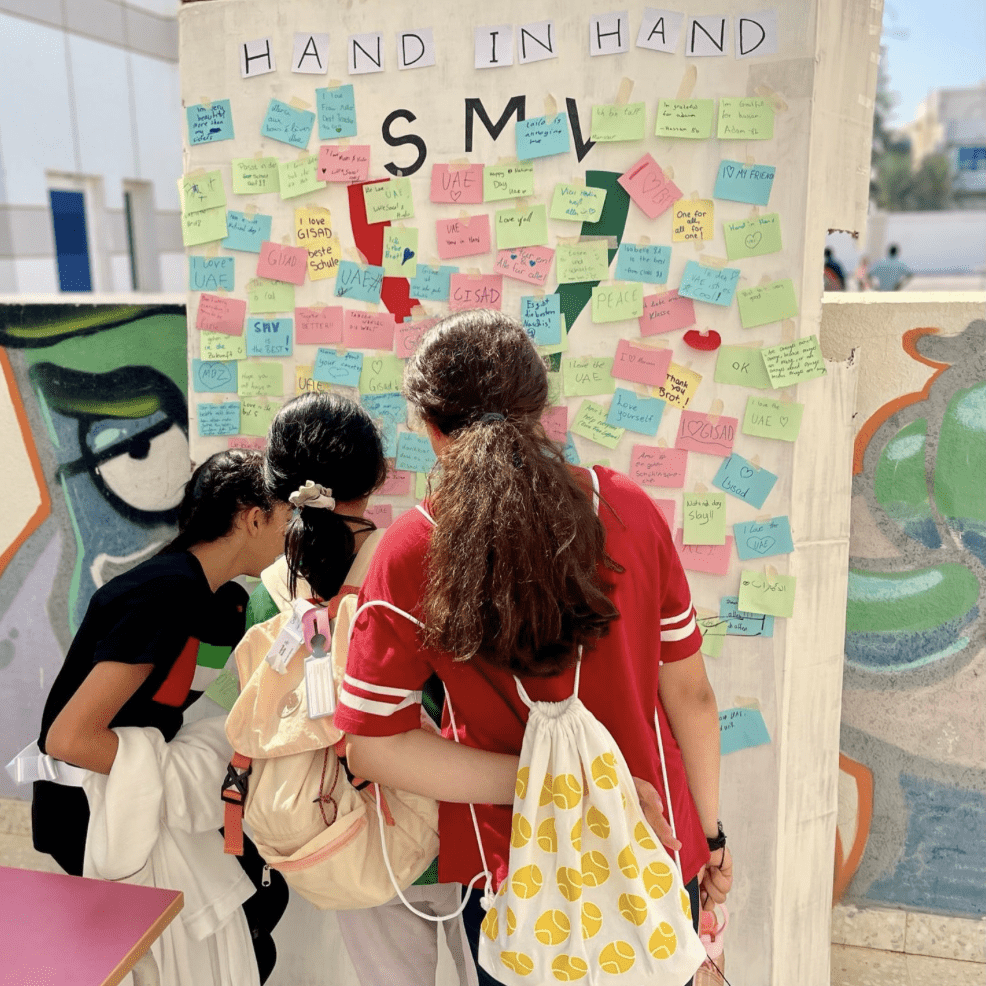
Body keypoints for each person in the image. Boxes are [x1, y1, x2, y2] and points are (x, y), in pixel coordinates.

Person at [335, 311, 733, 985]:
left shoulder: (408, 553)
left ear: (429, 428)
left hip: (517, 879)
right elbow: (691, 696)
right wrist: (713, 837)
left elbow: (373, 747)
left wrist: (540, 784)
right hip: (654, 853)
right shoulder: (627, 509)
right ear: (540, 410)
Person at [32, 449, 293, 983]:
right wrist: (173, 776)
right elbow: (69, 738)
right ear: (254, 518)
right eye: (289, 519)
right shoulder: (165, 592)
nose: (294, 536)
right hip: (91, 811)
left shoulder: (219, 602)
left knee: (258, 909)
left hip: (134, 796)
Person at [259, 391, 478, 986]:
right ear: (378, 474)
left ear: (276, 485)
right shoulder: (420, 562)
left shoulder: (268, 594)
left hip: (345, 832)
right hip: (457, 822)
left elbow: (247, 716)